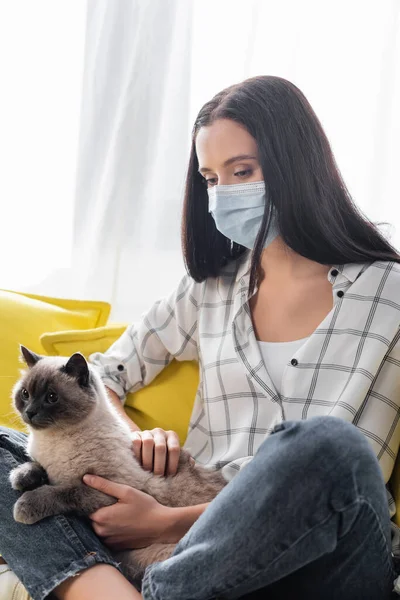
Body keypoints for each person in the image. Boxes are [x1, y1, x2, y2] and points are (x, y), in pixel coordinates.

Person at [1, 75, 400, 600]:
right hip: (201, 552)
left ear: (296, 164)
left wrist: (165, 521)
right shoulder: (210, 287)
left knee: (326, 446)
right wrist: (134, 436)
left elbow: (338, 482)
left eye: (243, 171)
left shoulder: (389, 289)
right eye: (211, 178)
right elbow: (102, 373)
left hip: (324, 547)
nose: (224, 193)